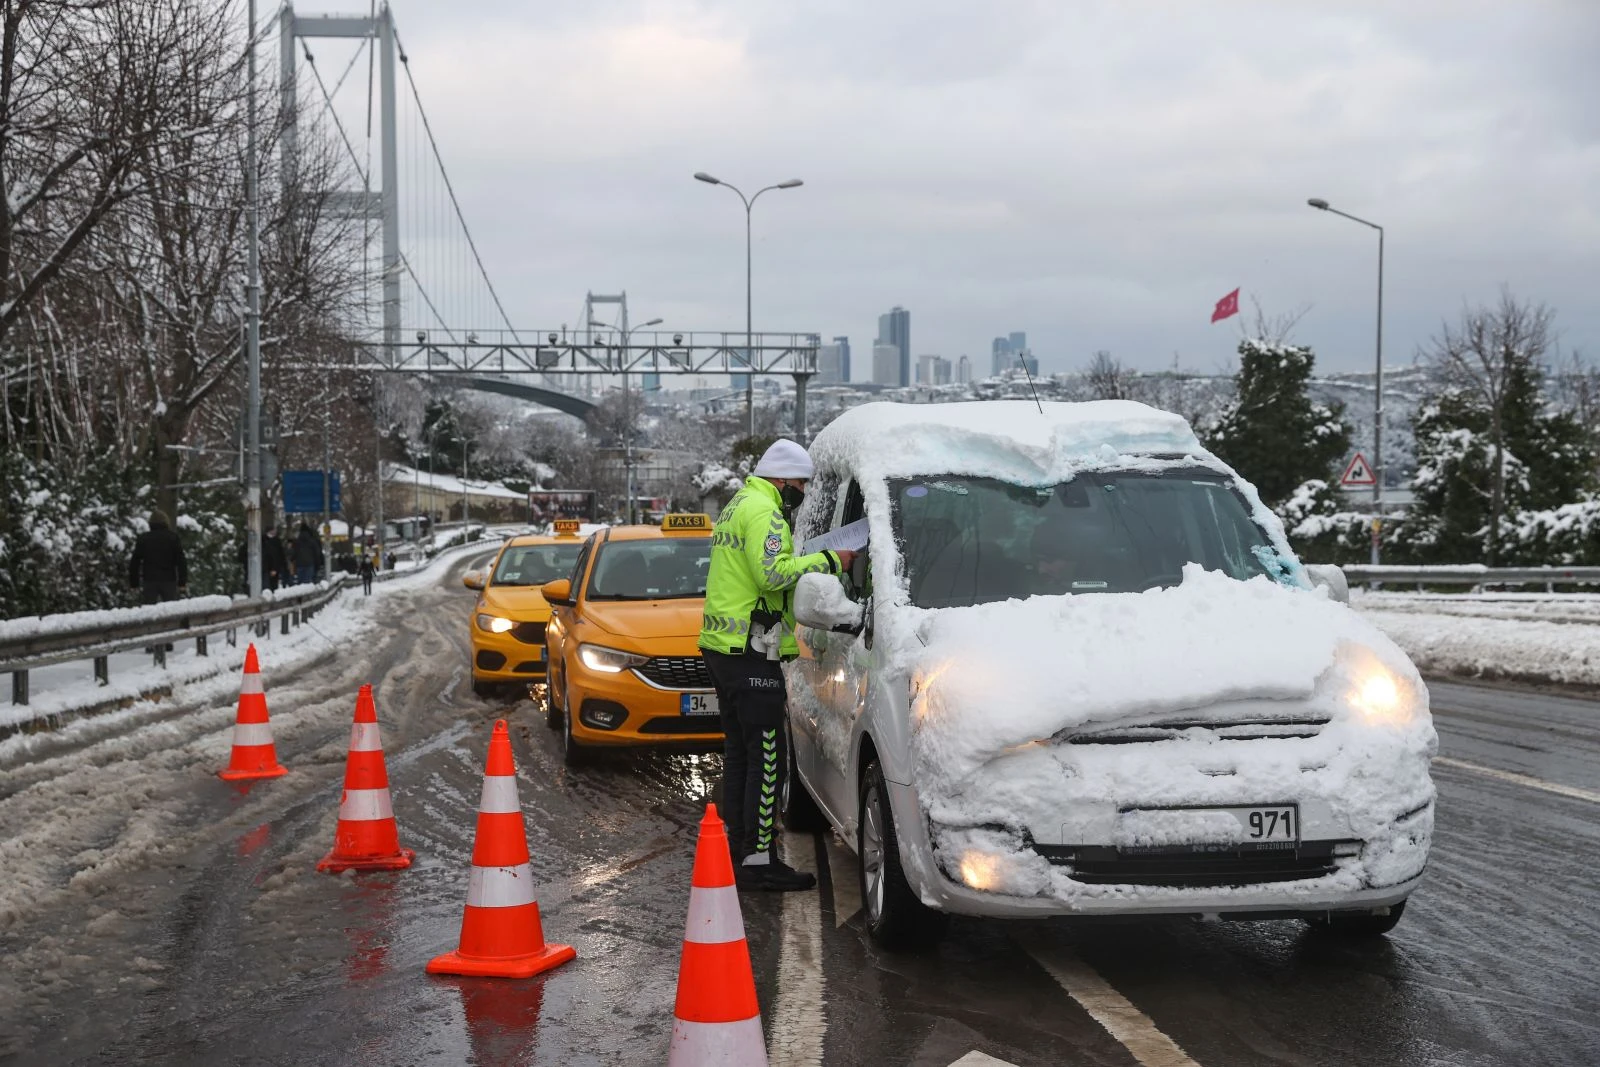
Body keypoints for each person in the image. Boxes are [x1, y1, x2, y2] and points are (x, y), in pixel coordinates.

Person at [698, 439, 856, 892]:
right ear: (782, 478)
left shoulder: (738, 504)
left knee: (742, 755)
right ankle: (759, 861)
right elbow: (772, 574)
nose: (802, 493)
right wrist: (831, 559)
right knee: (768, 760)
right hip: (750, 652)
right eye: (800, 485)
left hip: (724, 648)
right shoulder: (765, 511)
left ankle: (738, 850)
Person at [129, 509, 188, 604]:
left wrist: (134, 583)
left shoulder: (144, 539)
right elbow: (181, 561)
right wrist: (182, 582)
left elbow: (135, 562)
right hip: (169, 580)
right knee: (170, 608)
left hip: (149, 579)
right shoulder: (173, 538)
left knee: (149, 609)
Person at [262, 526, 288, 591]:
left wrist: (276, 568)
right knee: (267, 585)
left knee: (273, 585)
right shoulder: (263, 540)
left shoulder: (276, 541)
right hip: (266, 567)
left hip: (273, 566)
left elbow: (280, 555)